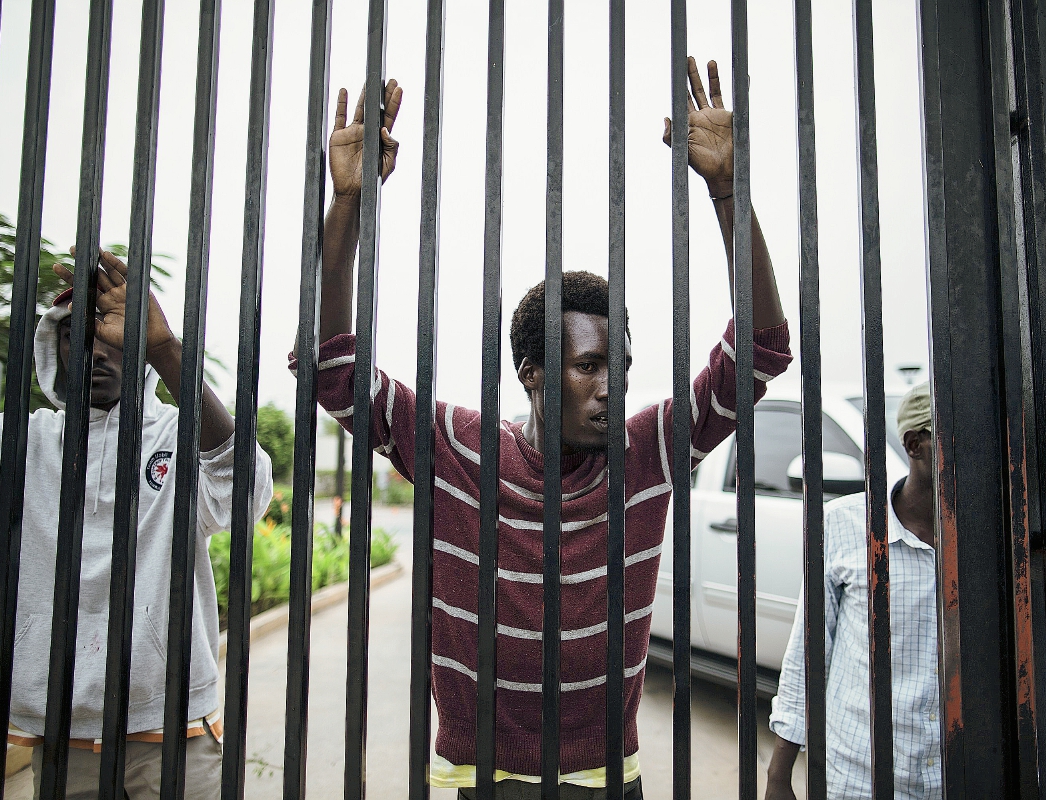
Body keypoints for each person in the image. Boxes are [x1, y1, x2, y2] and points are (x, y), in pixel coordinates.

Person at [302, 62, 791, 799]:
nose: (611, 386)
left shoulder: (646, 450)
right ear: (531, 373)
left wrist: (728, 193)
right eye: (590, 367)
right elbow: (335, 372)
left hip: (606, 779)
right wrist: (347, 209)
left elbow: (761, 352)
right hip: (481, 777)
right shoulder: (457, 450)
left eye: (620, 366)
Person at [0, 249, 273, 798]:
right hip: (59, 730)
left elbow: (246, 488)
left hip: (175, 731)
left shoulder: (177, 437)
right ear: (54, 348)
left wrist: (164, 347)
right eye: (76, 336)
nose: (95, 351)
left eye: (113, 337)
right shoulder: (13, 445)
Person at [764, 382, 941, 800]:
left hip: (959, 772)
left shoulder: (999, 531)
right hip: (861, 773)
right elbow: (809, 651)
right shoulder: (846, 526)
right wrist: (778, 774)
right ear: (916, 445)